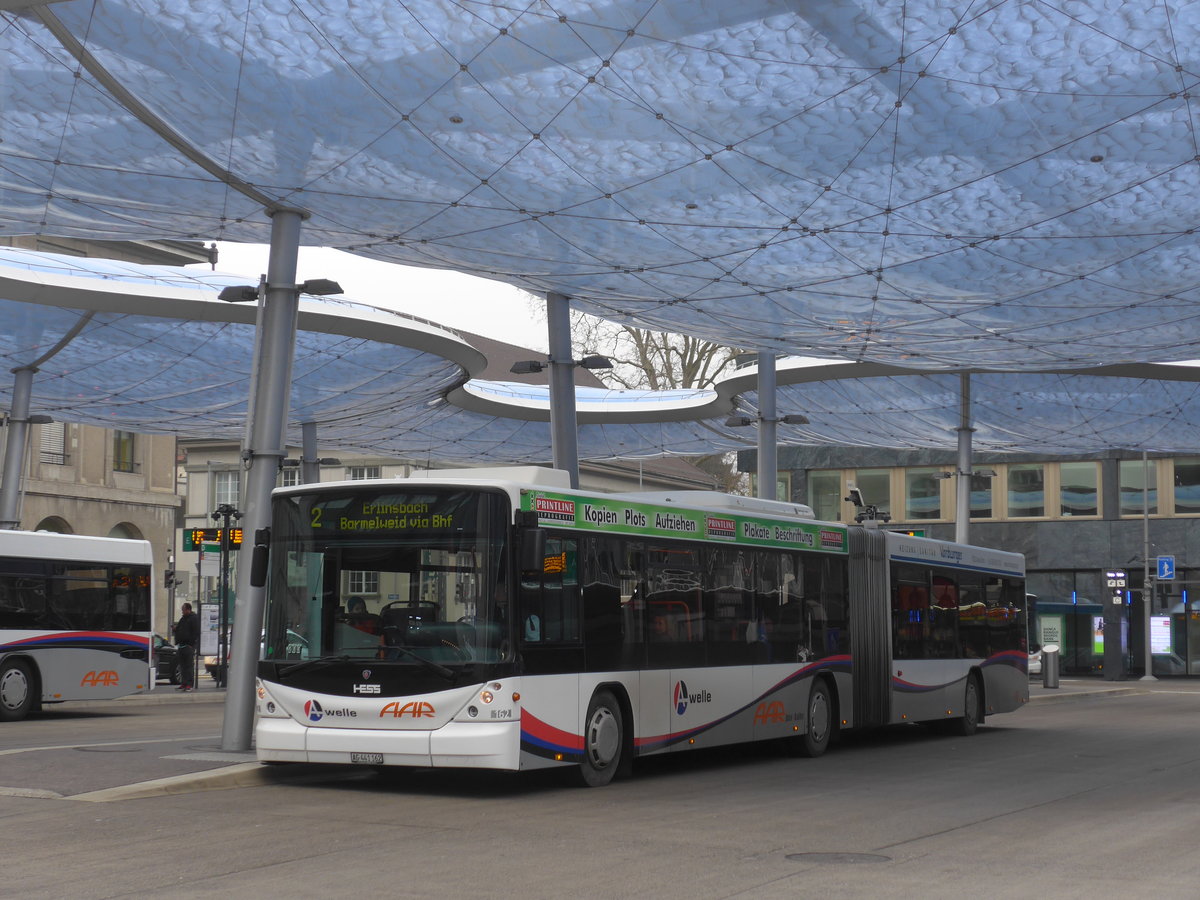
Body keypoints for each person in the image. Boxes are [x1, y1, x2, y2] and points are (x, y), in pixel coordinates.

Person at [174, 602, 199, 692]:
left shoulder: (193, 618)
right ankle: (184, 683)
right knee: (182, 666)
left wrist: (190, 644)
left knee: (188, 666)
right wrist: (175, 629)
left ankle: (189, 684)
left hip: (188, 646)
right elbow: (180, 629)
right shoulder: (183, 619)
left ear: (188, 609)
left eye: (183, 610)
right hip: (181, 645)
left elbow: (195, 632)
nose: (182, 612)